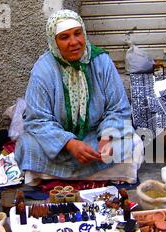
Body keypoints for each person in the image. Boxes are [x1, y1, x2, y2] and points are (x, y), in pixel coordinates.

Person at [15, 10, 143, 185]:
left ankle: (57, 176)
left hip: (94, 136)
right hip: (58, 144)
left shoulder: (101, 61)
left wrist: (106, 137)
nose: (74, 42)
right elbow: (37, 119)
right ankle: (102, 174)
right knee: (28, 145)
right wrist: (69, 143)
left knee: (134, 143)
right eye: (64, 37)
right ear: (55, 42)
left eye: (77, 33)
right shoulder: (43, 70)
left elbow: (118, 108)